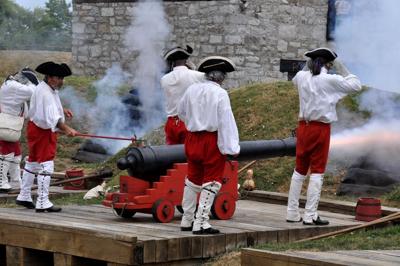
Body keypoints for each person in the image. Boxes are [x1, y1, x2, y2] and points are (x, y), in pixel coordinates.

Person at [286, 47, 362, 225]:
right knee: (317, 171)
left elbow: (296, 79)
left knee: (299, 170)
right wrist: (342, 68)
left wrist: (308, 65)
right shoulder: (330, 79)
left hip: (303, 128)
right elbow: (356, 85)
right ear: (329, 64)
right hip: (320, 129)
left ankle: (291, 212)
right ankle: (310, 215)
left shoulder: (302, 77)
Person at [178, 56, 240, 234]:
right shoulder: (220, 93)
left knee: (193, 179)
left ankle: (186, 219)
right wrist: (231, 148)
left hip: (192, 138)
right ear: (219, 77)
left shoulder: (191, 90)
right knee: (212, 181)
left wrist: (194, 122)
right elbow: (225, 121)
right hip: (210, 140)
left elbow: (181, 113)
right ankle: (201, 222)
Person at [16, 61, 78, 212]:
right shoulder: (45, 92)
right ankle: (43, 201)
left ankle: (24, 195)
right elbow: (53, 118)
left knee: (33, 162)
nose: (62, 81)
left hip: (35, 128)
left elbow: (49, 107)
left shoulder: (46, 88)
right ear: (51, 78)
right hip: (42, 131)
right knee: (46, 163)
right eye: (59, 78)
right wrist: (67, 128)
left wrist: (62, 109)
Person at [0, 68, 39, 191]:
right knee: (5, 154)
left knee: (16, 155)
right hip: (5, 125)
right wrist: (35, 84)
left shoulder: (14, 86)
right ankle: (1, 182)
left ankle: (16, 182)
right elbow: (33, 91)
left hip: (12, 126)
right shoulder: (12, 86)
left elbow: (26, 112)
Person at [161, 45, 205, 145]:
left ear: (172, 62)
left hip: (171, 123)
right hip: (187, 120)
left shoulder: (164, 79)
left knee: (171, 155)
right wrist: (194, 69)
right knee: (188, 154)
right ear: (186, 61)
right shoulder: (196, 75)